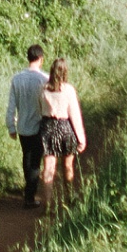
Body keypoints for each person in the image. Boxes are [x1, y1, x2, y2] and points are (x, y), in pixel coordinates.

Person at [37, 57, 86, 211]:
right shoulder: (69, 90)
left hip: (48, 127)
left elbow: (40, 108)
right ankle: (69, 197)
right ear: (65, 72)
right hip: (64, 126)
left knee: (49, 167)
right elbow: (74, 115)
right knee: (67, 165)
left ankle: (48, 204)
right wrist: (81, 138)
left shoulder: (43, 88)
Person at [6, 44, 49, 206]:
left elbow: (11, 105)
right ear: (41, 59)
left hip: (23, 126)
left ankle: (29, 192)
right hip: (39, 126)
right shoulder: (45, 79)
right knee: (36, 161)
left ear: (28, 58)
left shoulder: (17, 79)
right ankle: (29, 196)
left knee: (27, 157)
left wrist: (11, 126)